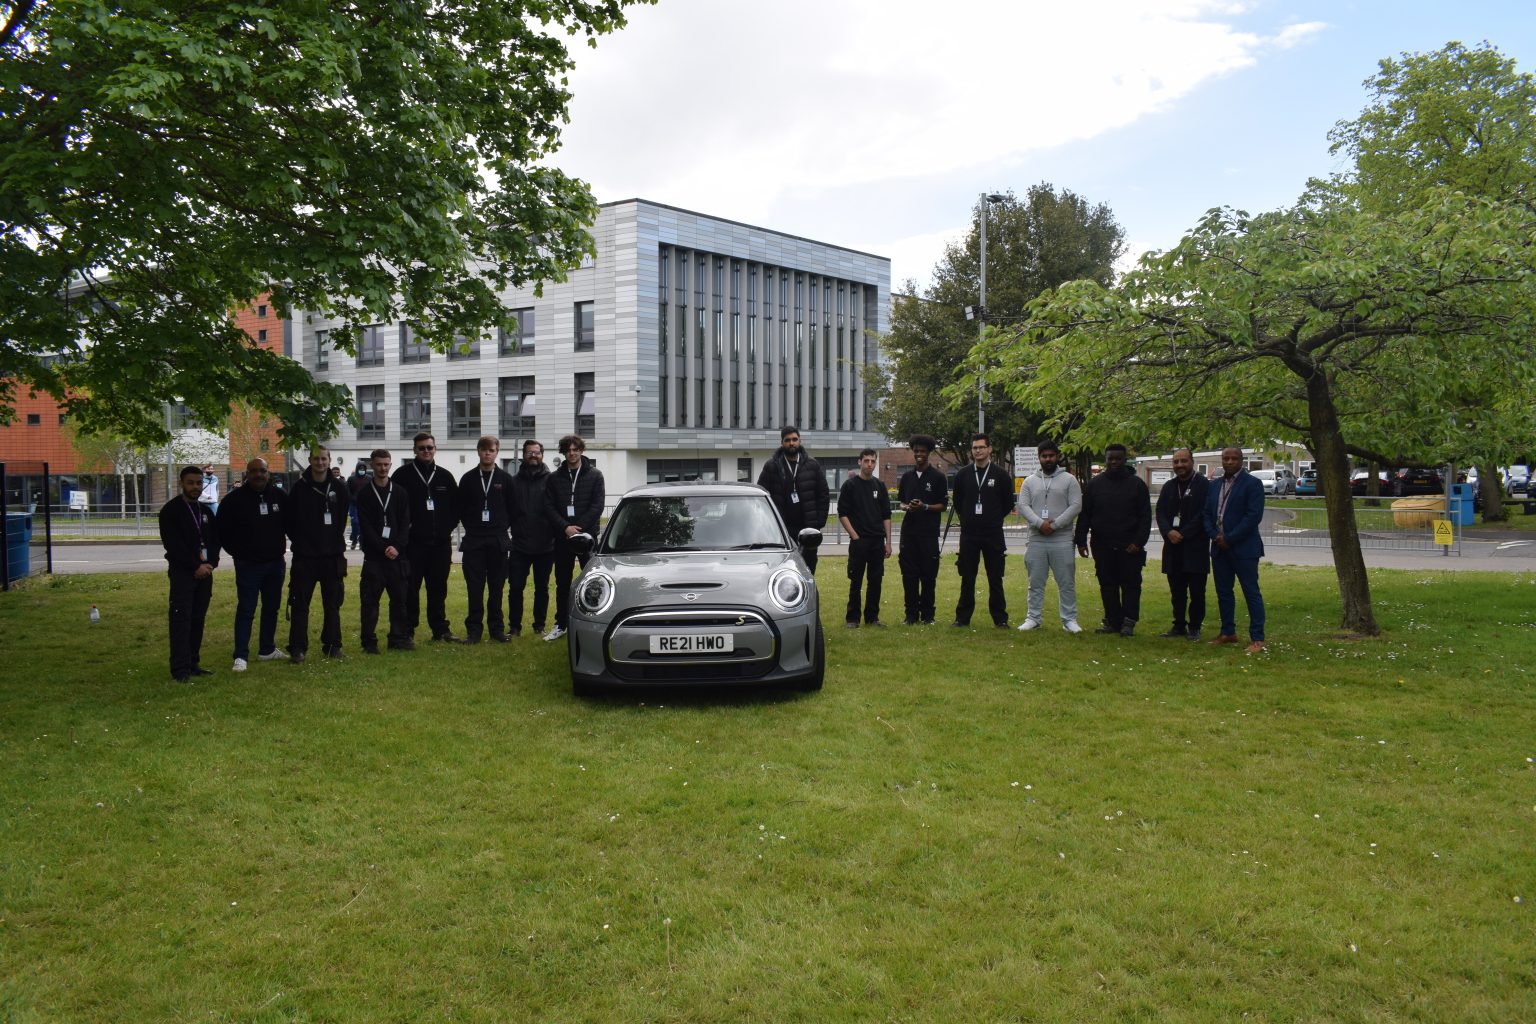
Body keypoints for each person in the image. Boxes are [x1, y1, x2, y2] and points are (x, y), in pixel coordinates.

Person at [215, 457, 288, 671]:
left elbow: (291, 524)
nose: (259, 475)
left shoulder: (279, 496)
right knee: (246, 609)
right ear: (247, 473)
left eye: (262, 471)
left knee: (271, 608)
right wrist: (239, 553)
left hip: (275, 564)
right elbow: (222, 532)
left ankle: (267, 649)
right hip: (248, 566)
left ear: (268, 473)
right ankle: (241, 656)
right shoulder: (234, 500)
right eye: (254, 471)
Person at [1075, 444, 1151, 637]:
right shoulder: (1095, 484)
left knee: (1131, 584)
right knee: (1107, 584)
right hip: (1102, 544)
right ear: (1106, 460)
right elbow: (1085, 514)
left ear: (1125, 460)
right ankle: (1112, 620)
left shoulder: (1137, 485)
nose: (1114, 462)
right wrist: (1081, 540)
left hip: (1130, 545)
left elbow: (1145, 517)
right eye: (1111, 459)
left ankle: (1128, 621)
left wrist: (1139, 541)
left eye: (1118, 458)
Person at [284, 447, 351, 662]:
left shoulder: (340, 488)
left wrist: (330, 541)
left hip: (332, 556)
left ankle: (332, 645)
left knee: (332, 604)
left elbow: (341, 520)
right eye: (316, 459)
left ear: (329, 460)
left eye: (324, 458)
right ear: (310, 461)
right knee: (300, 604)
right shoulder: (299, 488)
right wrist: (304, 542)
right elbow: (290, 522)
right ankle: (297, 648)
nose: (320, 462)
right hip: (305, 557)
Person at [392, 432, 461, 643]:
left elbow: (456, 507)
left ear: (435, 449)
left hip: (440, 544)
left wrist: (444, 529)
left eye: (429, 447)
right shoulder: (402, 476)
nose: (426, 451)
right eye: (421, 448)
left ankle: (440, 629)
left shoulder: (445, 476)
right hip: (413, 545)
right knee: (411, 588)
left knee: (438, 588)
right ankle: (408, 630)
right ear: (414, 450)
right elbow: (394, 508)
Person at [159, 465, 220, 681]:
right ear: (181, 484)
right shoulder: (171, 511)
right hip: (183, 574)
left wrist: (211, 564)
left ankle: (193, 663)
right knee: (180, 620)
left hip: (205, 574)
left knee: (197, 619)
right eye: (191, 483)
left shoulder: (205, 512)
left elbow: (214, 541)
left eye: (198, 482)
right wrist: (195, 566)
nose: (195, 487)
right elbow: (173, 546)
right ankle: (180, 669)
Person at [1204, 446, 1267, 653]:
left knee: (1251, 592)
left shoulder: (1253, 484)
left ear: (1242, 460)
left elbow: (1253, 516)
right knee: (1224, 592)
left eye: (1234, 458)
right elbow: (1206, 515)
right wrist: (1215, 536)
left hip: (1244, 548)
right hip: (1220, 548)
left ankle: (1257, 638)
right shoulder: (1214, 486)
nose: (1229, 462)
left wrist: (1229, 538)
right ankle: (1228, 632)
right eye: (1225, 458)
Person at [1017, 440, 1083, 633]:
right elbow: (1023, 506)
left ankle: (1069, 619)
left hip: (1062, 538)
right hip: (1037, 538)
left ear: (1057, 457)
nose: (1047, 459)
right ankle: (1033, 618)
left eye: (1051, 456)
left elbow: (1076, 506)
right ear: (1039, 458)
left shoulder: (1069, 480)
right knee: (1035, 582)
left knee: (1066, 582)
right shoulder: (1029, 481)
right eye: (1044, 456)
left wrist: (1054, 525)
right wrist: (1040, 524)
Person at [543, 434, 605, 642]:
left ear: (581, 450)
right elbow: (548, 506)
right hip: (563, 538)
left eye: (575, 449)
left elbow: (597, 505)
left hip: (587, 537)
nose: (572, 453)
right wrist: (566, 528)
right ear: (563, 452)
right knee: (562, 583)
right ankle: (561, 624)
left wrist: (579, 528)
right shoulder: (554, 478)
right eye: (568, 450)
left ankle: (595, 623)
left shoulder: (595, 475)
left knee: (593, 582)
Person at [951, 432, 1014, 628]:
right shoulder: (963, 475)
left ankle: (1000, 619)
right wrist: (970, 519)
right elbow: (958, 502)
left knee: (995, 578)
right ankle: (962, 618)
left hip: (993, 534)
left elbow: (1007, 503)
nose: (977, 451)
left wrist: (991, 519)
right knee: (967, 577)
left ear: (989, 449)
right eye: (974, 447)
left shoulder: (1001, 475)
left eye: (981, 447)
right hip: (969, 535)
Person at [456, 435, 515, 643]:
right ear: (478, 452)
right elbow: (460, 508)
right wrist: (474, 525)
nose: (487, 453)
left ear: (497, 452)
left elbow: (513, 508)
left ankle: (496, 630)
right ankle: (474, 631)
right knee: (475, 587)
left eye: (491, 450)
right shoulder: (468, 479)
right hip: (474, 540)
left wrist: (501, 526)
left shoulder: (506, 479)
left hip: (498, 540)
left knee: (496, 587)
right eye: (484, 450)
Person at [356, 448, 412, 654]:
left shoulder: (399, 492)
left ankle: (398, 638)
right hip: (374, 559)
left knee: (399, 601)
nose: (383, 468)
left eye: (386, 464)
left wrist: (396, 547)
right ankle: (369, 642)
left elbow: (406, 523)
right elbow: (366, 526)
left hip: (397, 558)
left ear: (391, 464)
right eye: (379, 464)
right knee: (370, 603)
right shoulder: (364, 493)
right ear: (372, 465)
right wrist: (382, 548)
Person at [756, 425, 830, 574]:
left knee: (808, 567)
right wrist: (768, 525)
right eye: (787, 440)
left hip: (808, 528)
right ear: (782, 443)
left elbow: (823, 495)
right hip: (781, 529)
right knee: (783, 567)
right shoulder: (771, 467)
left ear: (800, 441)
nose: (791, 443)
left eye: (795, 439)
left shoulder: (812, 465)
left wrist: (818, 523)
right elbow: (760, 497)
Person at [1155, 448, 1211, 641]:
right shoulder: (1169, 486)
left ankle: (1194, 626)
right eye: (1176, 462)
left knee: (1197, 591)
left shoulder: (1203, 484)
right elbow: (1160, 512)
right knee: (1177, 590)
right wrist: (1169, 532)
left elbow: (1205, 513)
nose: (1179, 465)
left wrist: (1183, 533)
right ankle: (1178, 625)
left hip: (1195, 546)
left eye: (1183, 461)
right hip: (1172, 546)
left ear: (1192, 462)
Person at [896, 434, 947, 625]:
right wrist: (906, 507)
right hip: (909, 534)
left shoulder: (938, 477)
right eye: (916, 451)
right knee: (909, 576)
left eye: (922, 451)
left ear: (929, 453)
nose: (919, 454)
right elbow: (901, 502)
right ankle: (910, 615)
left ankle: (928, 616)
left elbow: (942, 505)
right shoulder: (907, 477)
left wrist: (925, 507)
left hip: (928, 534)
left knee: (928, 576)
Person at [838, 448, 892, 627]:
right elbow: (842, 514)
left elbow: (886, 515)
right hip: (859, 542)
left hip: (877, 541)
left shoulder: (880, 486)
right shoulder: (850, 486)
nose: (870, 464)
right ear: (860, 462)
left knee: (875, 581)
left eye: (873, 461)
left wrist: (888, 542)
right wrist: (855, 536)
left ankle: (872, 618)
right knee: (856, 581)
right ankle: (852, 619)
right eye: (866, 460)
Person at [508, 439, 554, 638]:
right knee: (515, 587)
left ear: (542, 455)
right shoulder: (514, 481)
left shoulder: (551, 480)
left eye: (536, 452)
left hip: (546, 545)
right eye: (529, 453)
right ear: (523, 456)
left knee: (542, 588)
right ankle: (514, 626)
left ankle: (539, 625)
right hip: (520, 544)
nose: (533, 456)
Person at [346, 458, 369, 550]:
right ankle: (354, 539)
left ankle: (361, 541)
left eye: (363, 469)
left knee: (364, 524)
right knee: (355, 523)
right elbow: (348, 491)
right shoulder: (351, 479)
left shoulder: (369, 478)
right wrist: (353, 499)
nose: (362, 470)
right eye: (360, 468)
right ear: (357, 469)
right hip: (354, 505)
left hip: (365, 505)